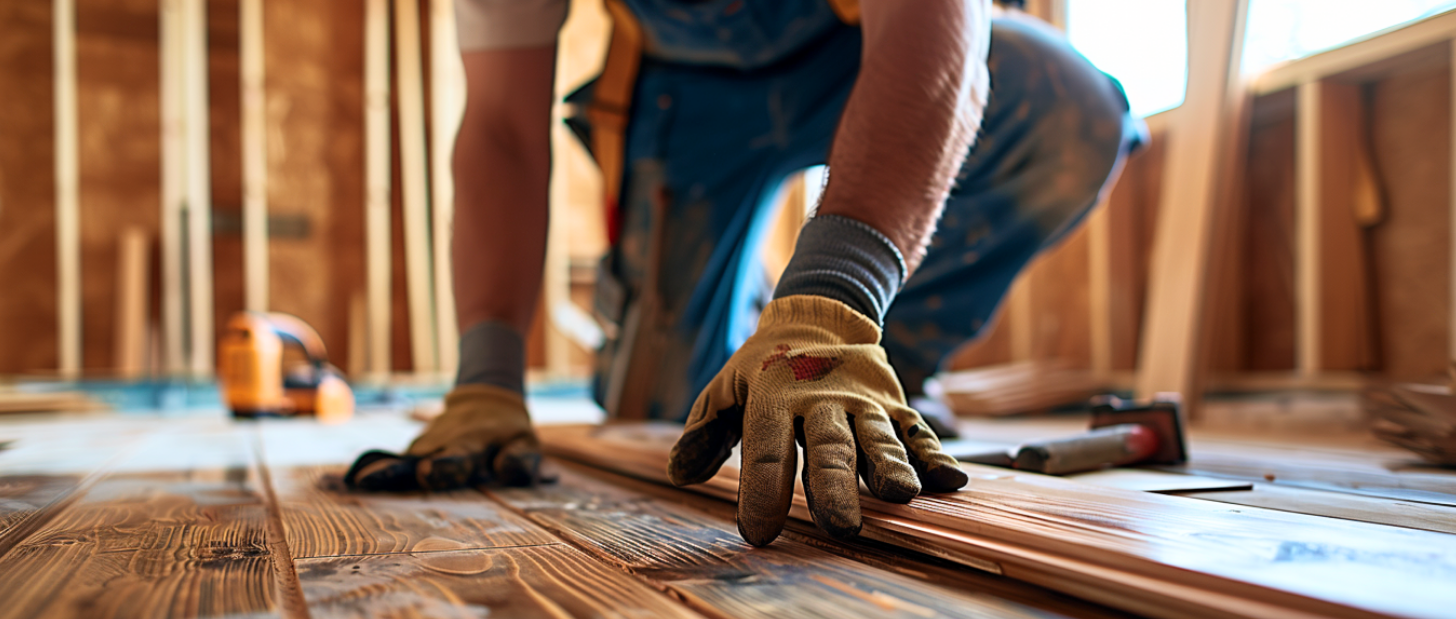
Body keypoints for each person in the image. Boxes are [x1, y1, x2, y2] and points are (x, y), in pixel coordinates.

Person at [345, 0, 1144, 547]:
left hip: (863, 49)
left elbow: (938, 32)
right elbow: (502, 128)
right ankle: (775, 341)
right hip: (688, 100)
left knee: (1068, 113)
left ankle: (863, 361)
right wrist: (487, 380)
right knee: (676, 424)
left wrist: (833, 305)